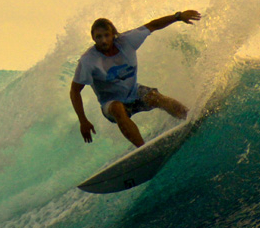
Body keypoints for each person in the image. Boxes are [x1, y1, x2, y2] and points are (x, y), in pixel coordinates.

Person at [69, 10, 201, 147]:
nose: (103, 40)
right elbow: (75, 91)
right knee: (117, 108)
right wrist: (83, 120)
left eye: (107, 35)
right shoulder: (88, 61)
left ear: (113, 35)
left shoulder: (127, 41)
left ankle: (191, 117)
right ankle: (143, 149)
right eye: (98, 37)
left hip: (134, 92)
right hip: (111, 103)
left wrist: (177, 17)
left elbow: (153, 25)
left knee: (156, 97)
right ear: (93, 38)